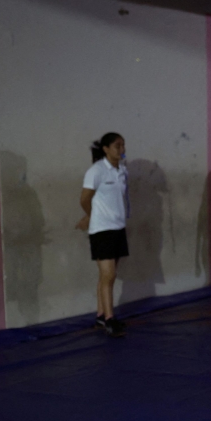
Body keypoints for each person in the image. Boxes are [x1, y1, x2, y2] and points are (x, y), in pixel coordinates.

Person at [77, 132, 128, 338]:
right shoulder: (96, 171)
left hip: (118, 228)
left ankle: (100, 315)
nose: (122, 149)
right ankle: (109, 319)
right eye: (117, 145)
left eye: (123, 145)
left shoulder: (123, 171)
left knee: (107, 275)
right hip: (101, 230)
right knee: (109, 275)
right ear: (106, 149)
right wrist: (91, 216)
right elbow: (84, 199)